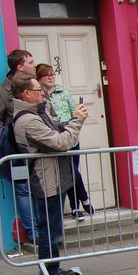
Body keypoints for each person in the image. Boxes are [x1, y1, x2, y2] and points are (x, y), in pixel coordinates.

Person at [11, 74, 87, 275]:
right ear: (26, 94)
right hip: (46, 181)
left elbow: (55, 131)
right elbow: (61, 142)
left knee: (52, 226)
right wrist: (77, 121)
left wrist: (71, 120)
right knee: (49, 229)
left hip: (52, 178)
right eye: (38, 90)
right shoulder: (28, 121)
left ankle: (49, 268)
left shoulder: (36, 114)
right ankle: (50, 271)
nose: (43, 93)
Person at [0, 49, 37, 241]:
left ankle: (47, 228)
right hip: (17, 154)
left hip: (39, 148)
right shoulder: (2, 91)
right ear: (20, 66)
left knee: (42, 188)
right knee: (23, 190)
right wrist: (8, 143)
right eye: (31, 62)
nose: (34, 65)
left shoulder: (36, 86)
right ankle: (34, 233)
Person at [35, 64, 92, 221]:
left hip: (70, 138)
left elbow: (75, 111)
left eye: (53, 74)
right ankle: (83, 200)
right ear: (39, 79)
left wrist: (77, 118)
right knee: (70, 173)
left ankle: (76, 207)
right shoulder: (40, 96)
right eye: (47, 75)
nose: (51, 77)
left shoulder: (63, 92)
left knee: (73, 172)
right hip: (55, 140)